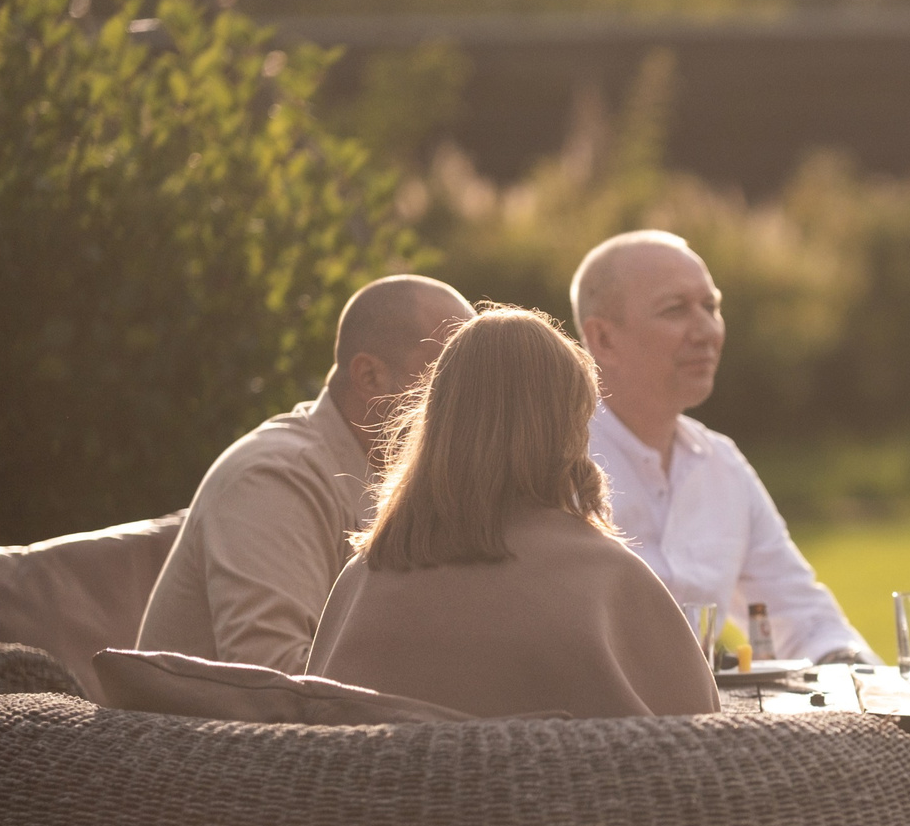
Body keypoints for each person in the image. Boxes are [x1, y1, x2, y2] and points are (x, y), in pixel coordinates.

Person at [307, 307, 718, 720]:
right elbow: (704, 742)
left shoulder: (364, 579)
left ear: (437, 419)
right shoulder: (610, 582)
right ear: (569, 427)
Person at [139, 275, 475, 672]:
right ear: (369, 377)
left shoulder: (411, 481)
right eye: (448, 376)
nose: (472, 398)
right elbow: (275, 683)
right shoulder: (271, 480)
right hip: (196, 734)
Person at [572, 230, 873, 664]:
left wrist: (853, 669)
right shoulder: (552, 461)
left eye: (711, 307)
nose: (706, 331)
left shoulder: (721, 464)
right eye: (675, 310)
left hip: (704, 725)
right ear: (603, 339)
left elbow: (797, 611)